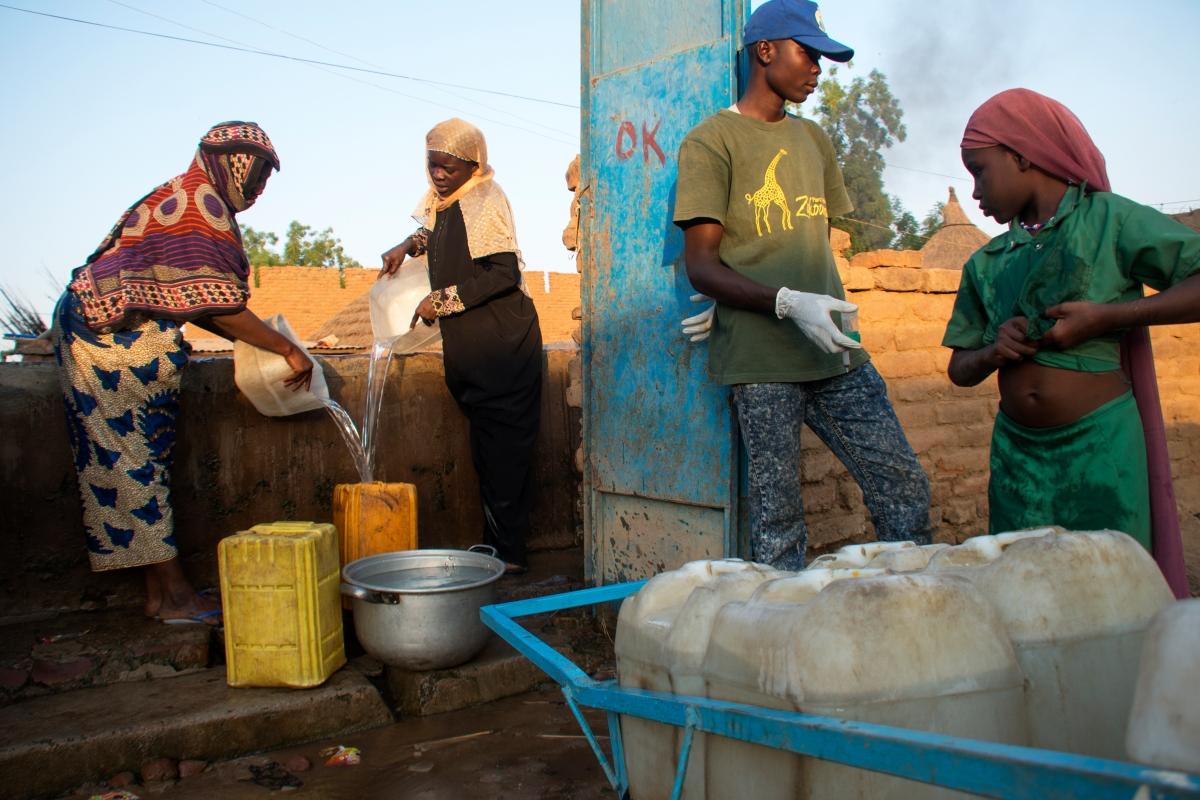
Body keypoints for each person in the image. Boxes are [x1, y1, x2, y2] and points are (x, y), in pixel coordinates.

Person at [673, 0, 930, 570]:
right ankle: (781, 647)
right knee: (779, 525)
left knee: (904, 488)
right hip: (762, 362)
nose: (818, 69)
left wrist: (817, 298)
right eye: (808, 54)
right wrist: (783, 300)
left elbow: (813, 241)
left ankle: (913, 623)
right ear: (765, 51)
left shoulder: (813, 140)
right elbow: (703, 266)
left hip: (836, 352)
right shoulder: (711, 142)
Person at [53, 121, 313, 623]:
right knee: (132, 461)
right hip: (105, 338)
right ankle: (173, 596)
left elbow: (202, 304)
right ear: (230, 162)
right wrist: (287, 349)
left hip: (103, 325)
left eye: (265, 181)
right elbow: (218, 306)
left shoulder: (188, 195)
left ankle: (160, 594)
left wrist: (269, 344)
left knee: (139, 457)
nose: (258, 190)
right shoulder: (200, 207)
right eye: (256, 175)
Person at [942, 88, 1198, 596]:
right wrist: (995, 349)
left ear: (1021, 155)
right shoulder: (987, 262)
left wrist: (1109, 317)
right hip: (1017, 459)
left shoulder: (1109, 220)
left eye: (980, 170)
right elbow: (959, 368)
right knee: (1025, 595)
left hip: (1099, 449)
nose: (975, 192)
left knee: (1112, 592)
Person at [381, 119, 542, 575]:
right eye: (432, 166)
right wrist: (405, 245)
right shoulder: (445, 204)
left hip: (502, 343)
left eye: (448, 168)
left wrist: (442, 300)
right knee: (486, 451)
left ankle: (510, 553)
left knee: (506, 451)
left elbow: (502, 273)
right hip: (473, 348)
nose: (438, 176)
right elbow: (439, 234)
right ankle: (496, 546)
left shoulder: (486, 199)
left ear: (474, 164)